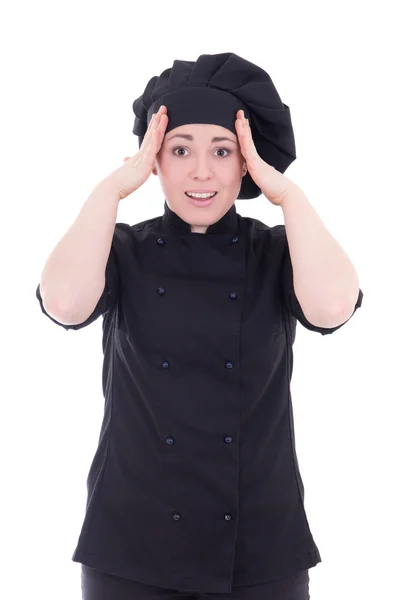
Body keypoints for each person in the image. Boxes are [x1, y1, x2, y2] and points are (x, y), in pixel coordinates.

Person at [36, 53, 363, 600]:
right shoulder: (122, 251)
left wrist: (288, 195)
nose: (202, 172)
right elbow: (64, 302)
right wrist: (113, 188)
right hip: (130, 548)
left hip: (260, 550)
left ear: (246, 164)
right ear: (154, 160)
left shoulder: (276, 253)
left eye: (223, 151)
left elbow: (333, 307)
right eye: (179, 150)